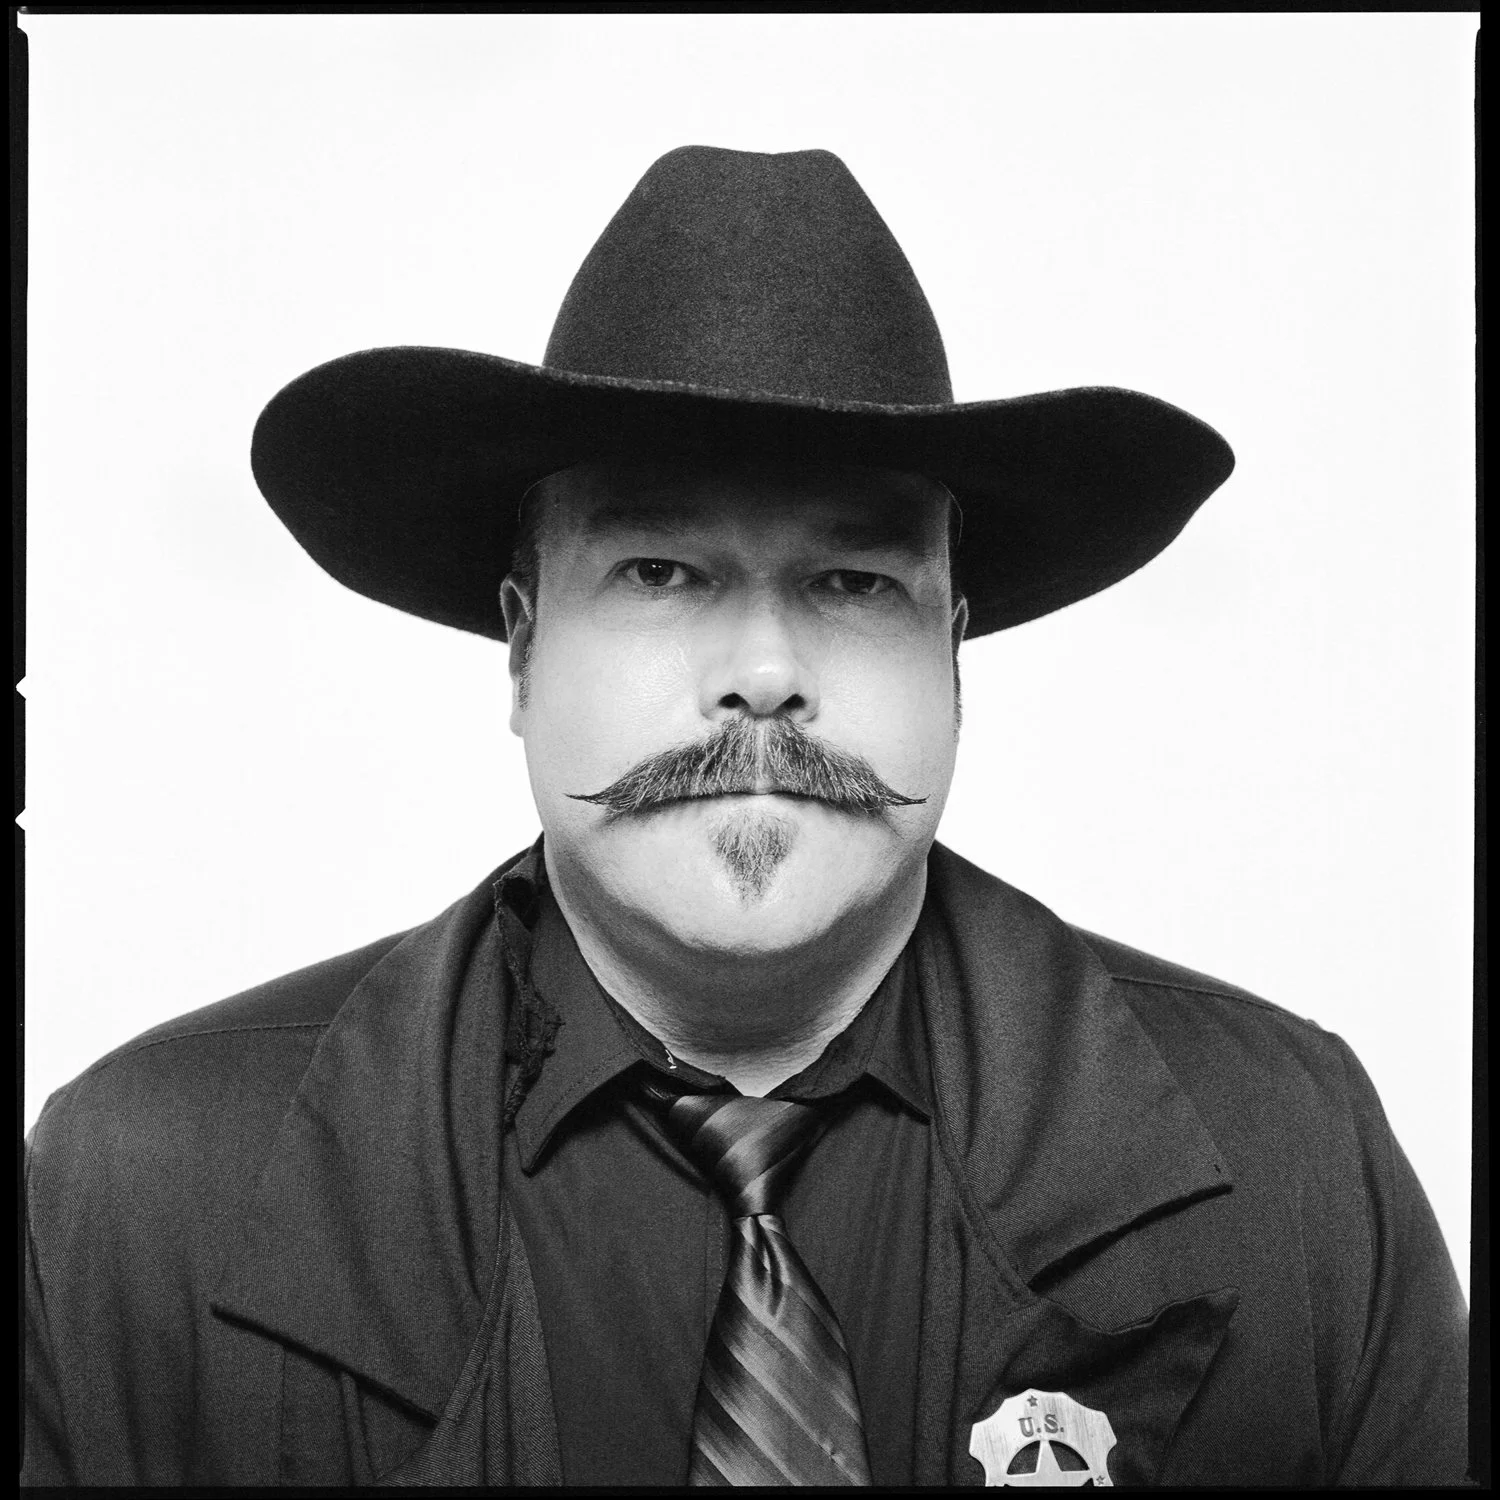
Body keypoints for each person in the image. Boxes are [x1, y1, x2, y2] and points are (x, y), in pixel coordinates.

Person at [22, 145, 1468, 1488]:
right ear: (521, 651)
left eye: (855, 582)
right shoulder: (137, 1206)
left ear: (954, 656)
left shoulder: (1295, 1171)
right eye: (660, 572)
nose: (764, 675)